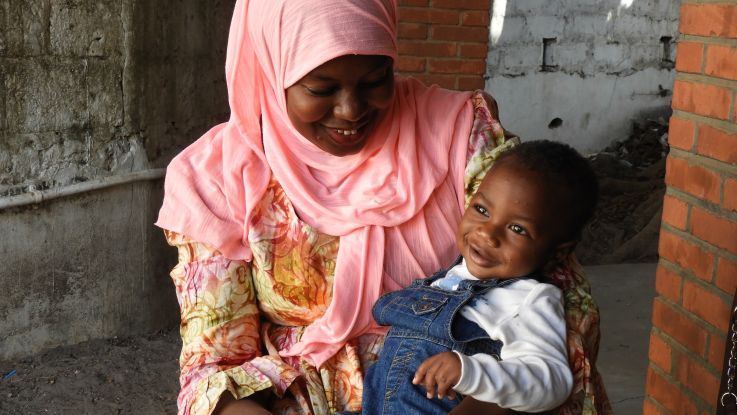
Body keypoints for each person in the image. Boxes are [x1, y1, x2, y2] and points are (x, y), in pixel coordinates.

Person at [155, 1, 612, 414]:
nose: (351, 109)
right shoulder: (217, 177)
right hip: (304, 397)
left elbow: (564, 298)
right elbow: (212, 367)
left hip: (465, 396)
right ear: (272, 71)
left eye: (376, 80)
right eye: (321, 88)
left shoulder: (455, 131)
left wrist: (485, 399)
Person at [338, 141, 597, 415]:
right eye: (482, 210)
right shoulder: (451, 278)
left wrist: (471, 371)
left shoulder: (529, 299)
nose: (487, 233)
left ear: (557, 254)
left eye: (517, 229)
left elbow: (550, 382)